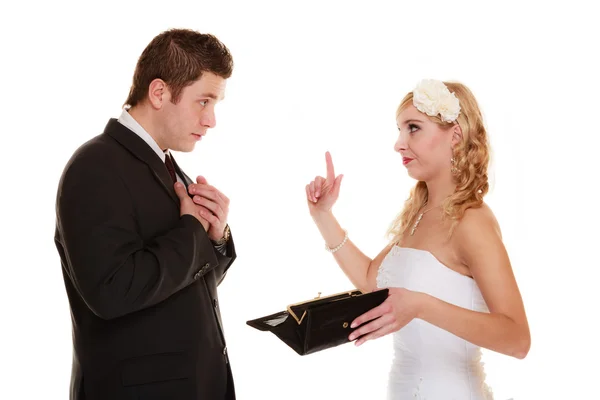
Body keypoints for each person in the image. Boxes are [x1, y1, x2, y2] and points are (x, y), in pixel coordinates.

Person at [305, 79, 530, 399]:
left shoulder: (472, 221)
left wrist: (422, 305)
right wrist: (323, 216)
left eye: (413, 128)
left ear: (455, 135)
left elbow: (517, 339)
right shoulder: (420, 213)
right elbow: (373, 281)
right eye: (399, 129)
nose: (398, 143)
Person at [54, 28, 237, 400]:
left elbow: (178, 287)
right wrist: (190, 231)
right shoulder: (95, 166)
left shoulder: (168, 165)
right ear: (159, 93)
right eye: (203, 102)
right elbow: (112, 292)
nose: (211, 120)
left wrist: (215, 239)